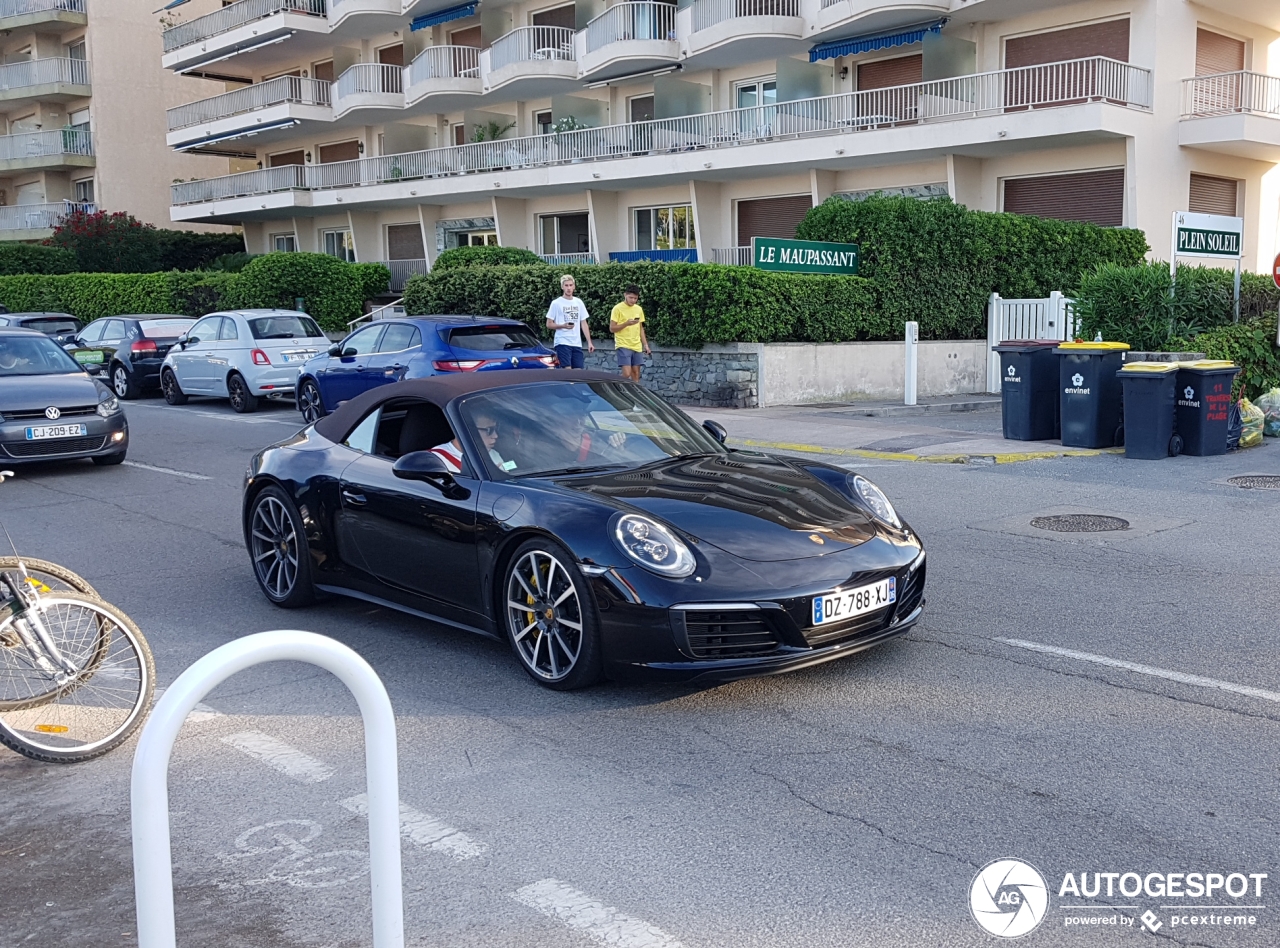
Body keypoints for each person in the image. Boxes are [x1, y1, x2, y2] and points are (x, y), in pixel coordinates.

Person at [545, 274, 594, 369]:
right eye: (566, 285)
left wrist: (589, 342)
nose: (569, 288)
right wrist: (562, 326)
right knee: (567, 370)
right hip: (562, 341)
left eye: (571, 285)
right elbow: (549, 324)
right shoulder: (556, 303)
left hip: (576, 342)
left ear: (574, 286)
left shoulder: (578, 302)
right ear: (562, 287)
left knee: (578, 371)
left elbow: (583, 323)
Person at [608, 284, 650, 382]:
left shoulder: (638, 309)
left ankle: (634, 394)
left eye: (635, 298)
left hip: (636, 345)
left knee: (636, 373)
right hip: (623, 344)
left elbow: (640, 328)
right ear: (625, 295)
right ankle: (616, 384)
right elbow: (612, 328)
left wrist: (646, 345)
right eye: (631, 297)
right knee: (626, 373)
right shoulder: (617, 308)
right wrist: (626, 324)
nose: (633, 300)